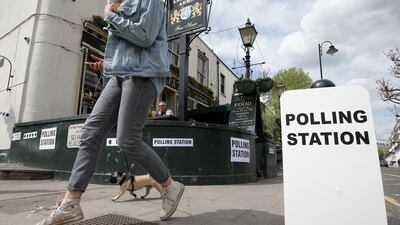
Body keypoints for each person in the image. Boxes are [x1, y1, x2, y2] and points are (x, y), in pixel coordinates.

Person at [35, 0, 184, 224]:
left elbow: (145, 35)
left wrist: (110, 16)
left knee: (127, 139)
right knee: (90, 132)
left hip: (143, 73)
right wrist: (108, 63)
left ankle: (169, 186)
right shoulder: (119, 3)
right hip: (119, 73)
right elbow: (127, 45)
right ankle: (71, 203)